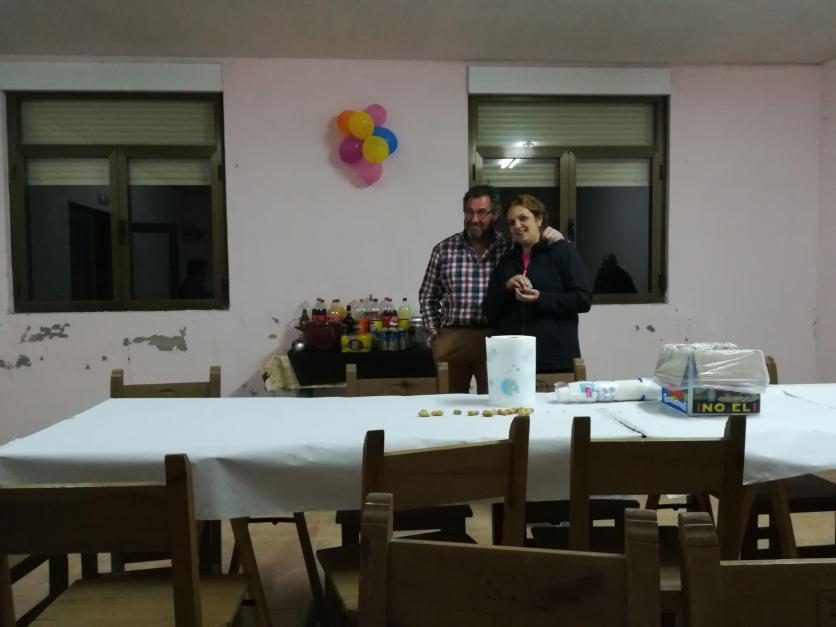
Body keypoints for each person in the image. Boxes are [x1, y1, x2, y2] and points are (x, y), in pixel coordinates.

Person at [419, 185, 561, 393]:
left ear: (495, 215)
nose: (474, 219)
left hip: (496, 337)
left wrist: (554, 236)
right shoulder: (444, 249)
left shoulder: (511, 246)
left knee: (497, 401)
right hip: (452, 339)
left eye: (482, 212)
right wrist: (435, 335)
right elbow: (427, 296)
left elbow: (538, 246)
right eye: (469, 212)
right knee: (448, 401)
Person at [483, 194, 592, 374]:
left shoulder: (563, 252)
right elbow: (489, 310)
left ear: (539, 219)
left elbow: (583, 300)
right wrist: (507, 287)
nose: (517, 225)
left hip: (555, 360)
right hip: (512, 362)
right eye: (511, 222)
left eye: (523, 218)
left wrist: (541, 298)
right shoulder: (506, 261)